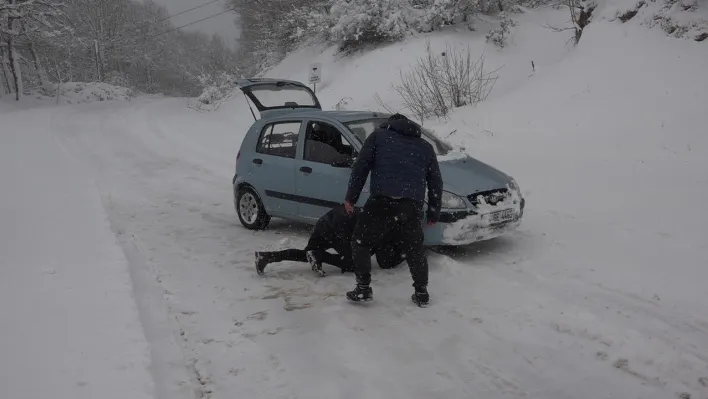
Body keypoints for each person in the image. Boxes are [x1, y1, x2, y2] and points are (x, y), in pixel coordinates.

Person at [344, 113, 443, 307]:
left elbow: (360, 168)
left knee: (361, 242)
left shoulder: (378, 137)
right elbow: (435, 182)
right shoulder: (425, 147)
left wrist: (350, 198)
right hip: (411, 205)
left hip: (382, 200)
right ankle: (421, 292)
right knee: (415, 249)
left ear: (390, 124)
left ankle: (363, 288)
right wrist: (434, 211)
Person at [255, 204, 404, 276]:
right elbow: (385, 262)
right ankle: (320, 256)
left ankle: (267, 256)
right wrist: (404, 254)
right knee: (354, 264)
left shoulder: (376, 212)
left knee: (308, 253)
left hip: (326, 221)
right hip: (339, 228)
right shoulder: (385, 228)